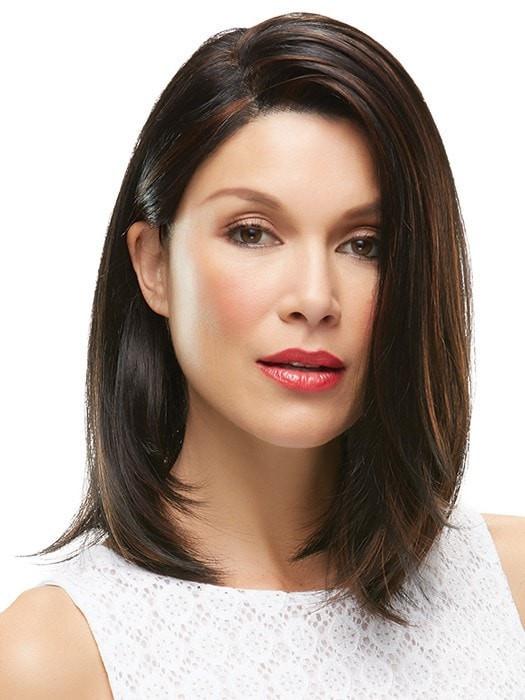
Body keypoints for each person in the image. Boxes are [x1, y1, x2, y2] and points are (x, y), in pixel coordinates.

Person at [1, 11, 524, 699]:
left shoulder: (510, 588)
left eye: (364, 244)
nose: (314, 298)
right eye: (252, 233)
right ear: (154, 265)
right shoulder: (52, 657)